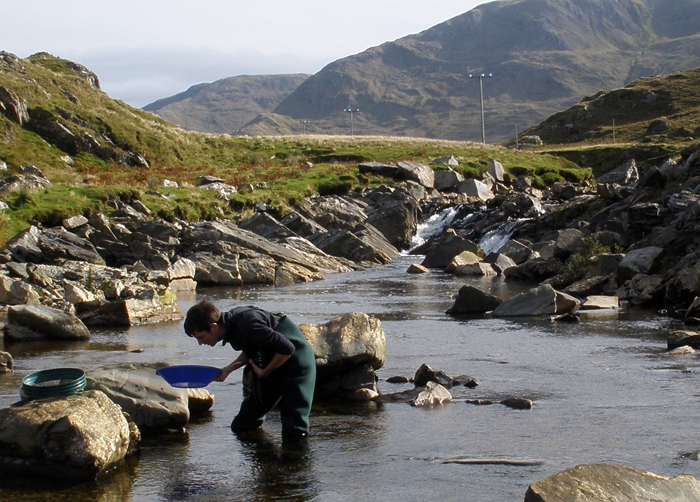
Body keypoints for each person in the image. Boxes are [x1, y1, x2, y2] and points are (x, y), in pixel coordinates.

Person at [183, 300, 316, 441]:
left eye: (201, 337)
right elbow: (252, 347)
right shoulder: (231, 326)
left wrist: (265, 373)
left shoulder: (247, 323)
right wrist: (228, 369)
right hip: (271, 363)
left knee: (294, 430)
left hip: (297, 364)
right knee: (243, 423)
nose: (200, 343)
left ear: (214, 326)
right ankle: (262, 459)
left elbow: (287, 348)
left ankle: (296, 459)